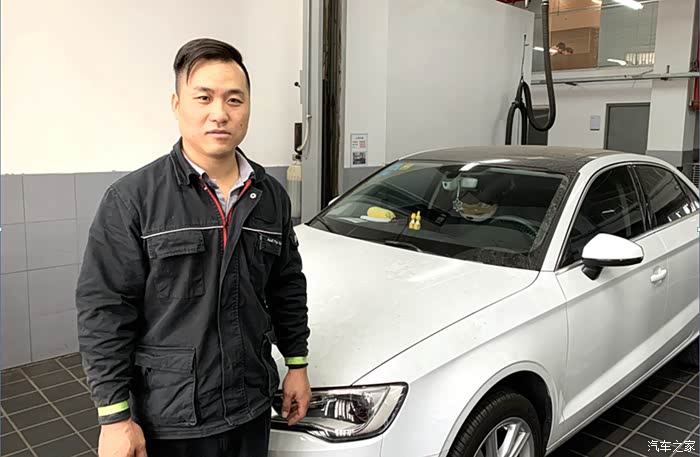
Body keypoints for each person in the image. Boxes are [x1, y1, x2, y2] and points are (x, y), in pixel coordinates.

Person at [75, 37, 311, 457]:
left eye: (234, 99)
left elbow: (286, 286)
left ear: (248, 107)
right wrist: (114, 417)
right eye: (203, 97)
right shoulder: (133, 200)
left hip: (251, 404)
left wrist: (296, 364)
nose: (219, 113)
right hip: (171, 417)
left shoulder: (270, 196)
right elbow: (105, 310)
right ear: (176, 104)